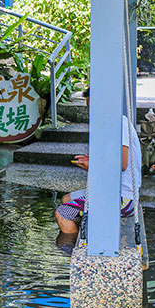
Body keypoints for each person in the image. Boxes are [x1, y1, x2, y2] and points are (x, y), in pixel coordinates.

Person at [55, 87, 141, 234]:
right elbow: (112, 159)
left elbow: (122, 164)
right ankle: (83, 234)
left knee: (63, 213)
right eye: (88, 108)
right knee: (66, 198)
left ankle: (70, 251)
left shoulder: (118, 124)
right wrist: (93, 160)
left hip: (123, 199)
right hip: (112, 192)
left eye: (92, 108)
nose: (90, 113)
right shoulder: (112, 123)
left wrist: (92, 166)